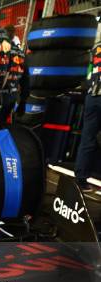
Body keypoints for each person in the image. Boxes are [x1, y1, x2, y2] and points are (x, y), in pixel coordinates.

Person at [74, 41, 101, 192]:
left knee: (87, 138)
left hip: (92, 96)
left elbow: (89, 72)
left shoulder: (96, 47)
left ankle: (81, 179)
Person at [0, 24, 29, 124]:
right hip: (12, 97)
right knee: (2, 126)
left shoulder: (1, 50)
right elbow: (26, 80)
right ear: (13, 36)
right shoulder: (21, 53)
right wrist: (23, 102)